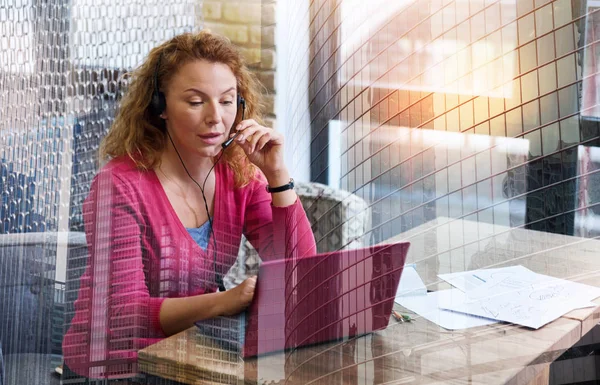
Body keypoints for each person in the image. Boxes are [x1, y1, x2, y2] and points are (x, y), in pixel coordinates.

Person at [62, 31, 316, 380]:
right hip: (115, 367)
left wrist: (277, 175)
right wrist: (226, 302)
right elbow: (124, 314)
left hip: (192, 353)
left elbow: (301, 269)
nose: (216, 117)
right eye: (196, 102)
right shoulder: (118, 185)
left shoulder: (239, 172)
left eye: (227, 101)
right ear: (160, 107)